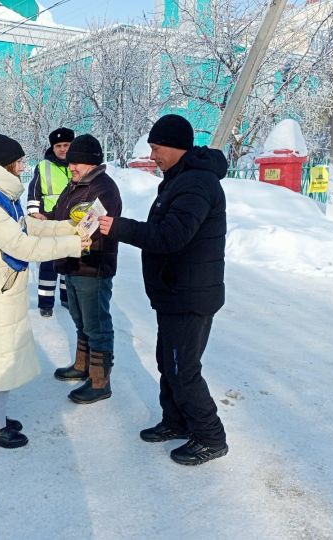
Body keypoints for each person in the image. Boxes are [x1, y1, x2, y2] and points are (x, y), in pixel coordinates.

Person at [98, 114, 229, 466]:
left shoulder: (196, 184)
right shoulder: (179, 180)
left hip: (190, 295)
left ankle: (210, 437)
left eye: (156, 148)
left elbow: (171, 237)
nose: (153, 154)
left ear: (175, 146)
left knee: (182, 368)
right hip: (176, 292)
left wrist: (120, 228)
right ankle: (176, 421)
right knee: (168, 362)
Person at [0, 132, 89, 449]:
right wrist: (73, 245)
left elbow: (28, 226)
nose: (22, 168)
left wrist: (68, 227)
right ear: (4, 165)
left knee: (0, 353)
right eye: (18, 162)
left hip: (0, 288)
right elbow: (20, 244)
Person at [48, 134, 122, 405]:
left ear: (91, 162)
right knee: (80, 319)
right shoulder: (75, 185)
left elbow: (93, 228)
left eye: (76, 163)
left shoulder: (104, 189)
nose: (71, 168)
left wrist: (64, 234)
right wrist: (46, 221)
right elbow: (59, 215)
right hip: (71, 262)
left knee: (97, 324)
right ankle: (82, 366)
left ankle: (100, 381)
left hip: (93, 265)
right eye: (70, 164)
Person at [27, 127, 74, 317]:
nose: (62, 149)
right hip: (48, 221)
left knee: (69, 261)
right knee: (48, 264)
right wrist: (33, 214)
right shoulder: (43, 166)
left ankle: (66, 298)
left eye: (66, 145)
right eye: (58, 146)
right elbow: (34, 192)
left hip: (71, 222)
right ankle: (45, 303)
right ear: (52, 147)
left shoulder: (78, 164)